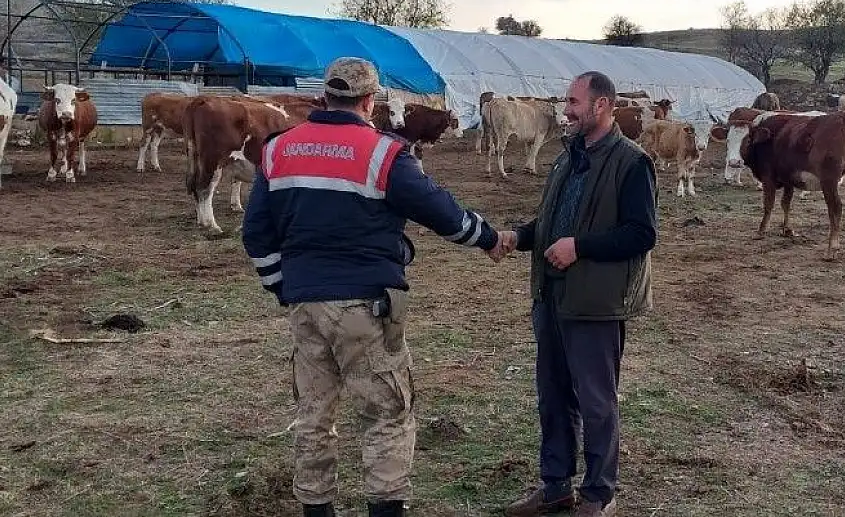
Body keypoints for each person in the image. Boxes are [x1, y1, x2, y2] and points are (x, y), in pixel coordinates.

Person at [241, 56, 508, 517]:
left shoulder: (277, 149)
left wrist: (282, 285)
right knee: (386, 413)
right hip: (366, 304)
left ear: (324, 97)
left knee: (313, 414)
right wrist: (487, 238)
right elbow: (441, 212)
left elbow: (256, 232)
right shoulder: (384, 152)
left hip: (305, 303)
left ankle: (316, 507)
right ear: (369, 101)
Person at [496, 71, 658, 517]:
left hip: (596, 303)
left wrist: (579, 248)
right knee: (552, 395)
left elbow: (641, 235)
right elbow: (553, 225)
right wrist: (518, 236)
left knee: (596, 401)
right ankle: (555, 486)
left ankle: (597, 494)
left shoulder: (631, 162)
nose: (565, 110)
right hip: (552, 296)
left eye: (573, 102)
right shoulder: (568, 157)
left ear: (601, 105)